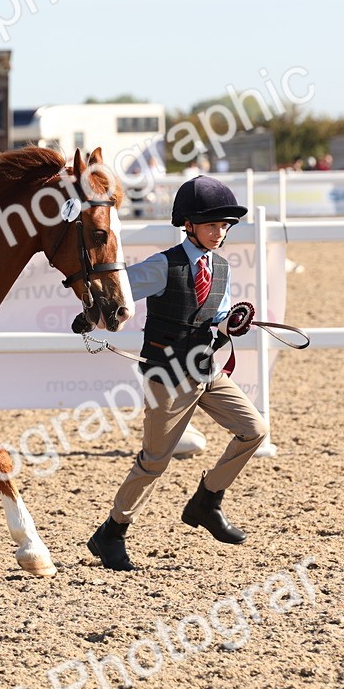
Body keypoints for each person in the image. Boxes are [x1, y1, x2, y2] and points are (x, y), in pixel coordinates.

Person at [86, 175, 270, 572]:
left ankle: (207, 501)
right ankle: (112, 532)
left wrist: (229, 323)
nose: (220, 232)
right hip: (167, 377)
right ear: (188, 224)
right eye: (212, 225)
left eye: (224, 226)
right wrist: (90, 315)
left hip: (206, 370)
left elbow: (214, 316)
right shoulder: (161, 266)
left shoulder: (220, 267)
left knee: (254, 429)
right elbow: (115, 292)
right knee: (154, 461)